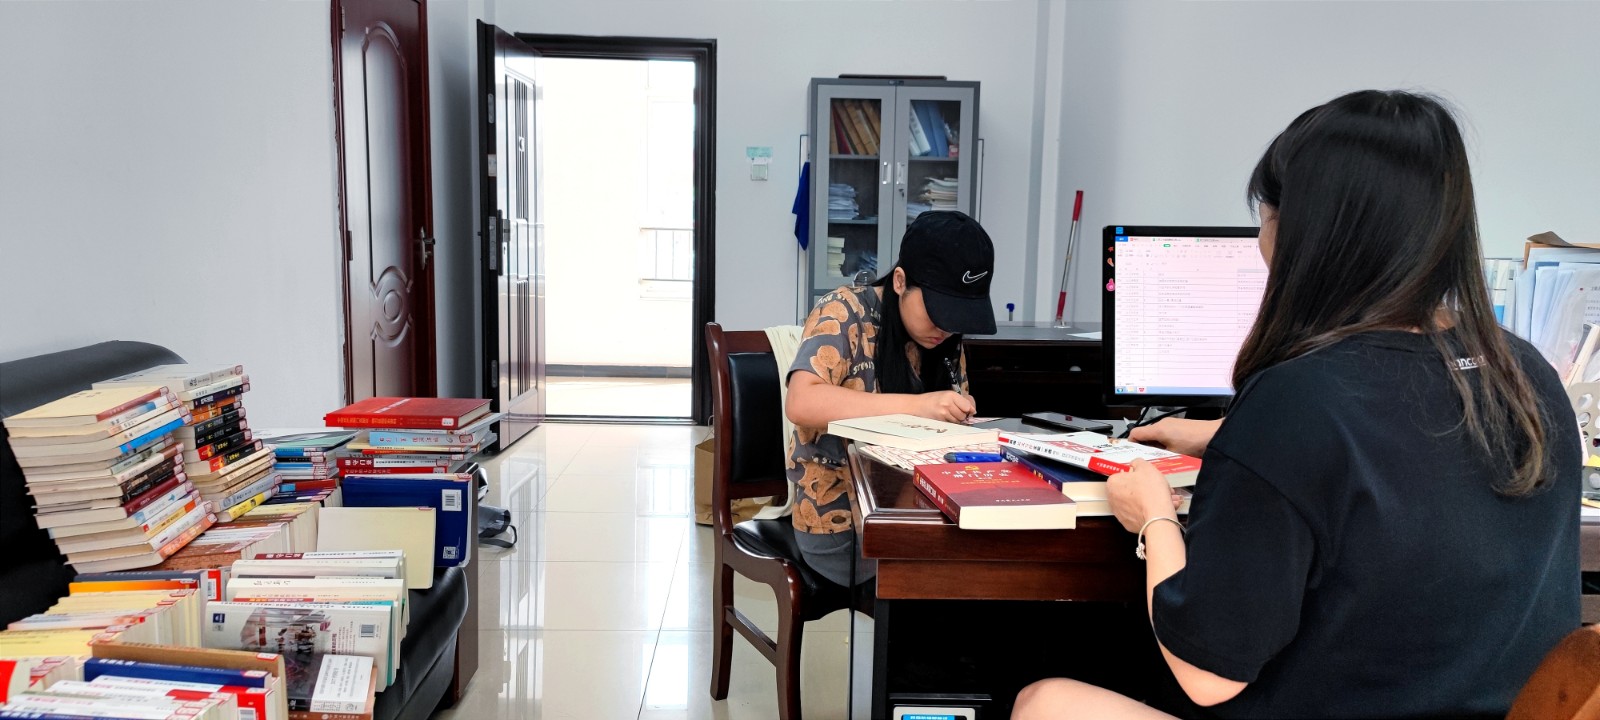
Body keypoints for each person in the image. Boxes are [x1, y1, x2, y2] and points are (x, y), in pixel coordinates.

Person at [1013, 90, 1581, 719]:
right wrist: (1231, 439)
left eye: (1265, 216)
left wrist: (1153, 518)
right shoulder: (1525, 373)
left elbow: (1206, 676)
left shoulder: (1299, 401)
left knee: (1045, 701)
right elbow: (1409, 454)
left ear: (1304, 233)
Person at [785, 210, 998, 587]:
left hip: (922, 510)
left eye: (958, 317)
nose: (946, 328)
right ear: (900, 281)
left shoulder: (943, 340)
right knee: (965, 576)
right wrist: (918, 407)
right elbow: (801, 403)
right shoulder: (844, 311)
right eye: (937, 312)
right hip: (841, 525)